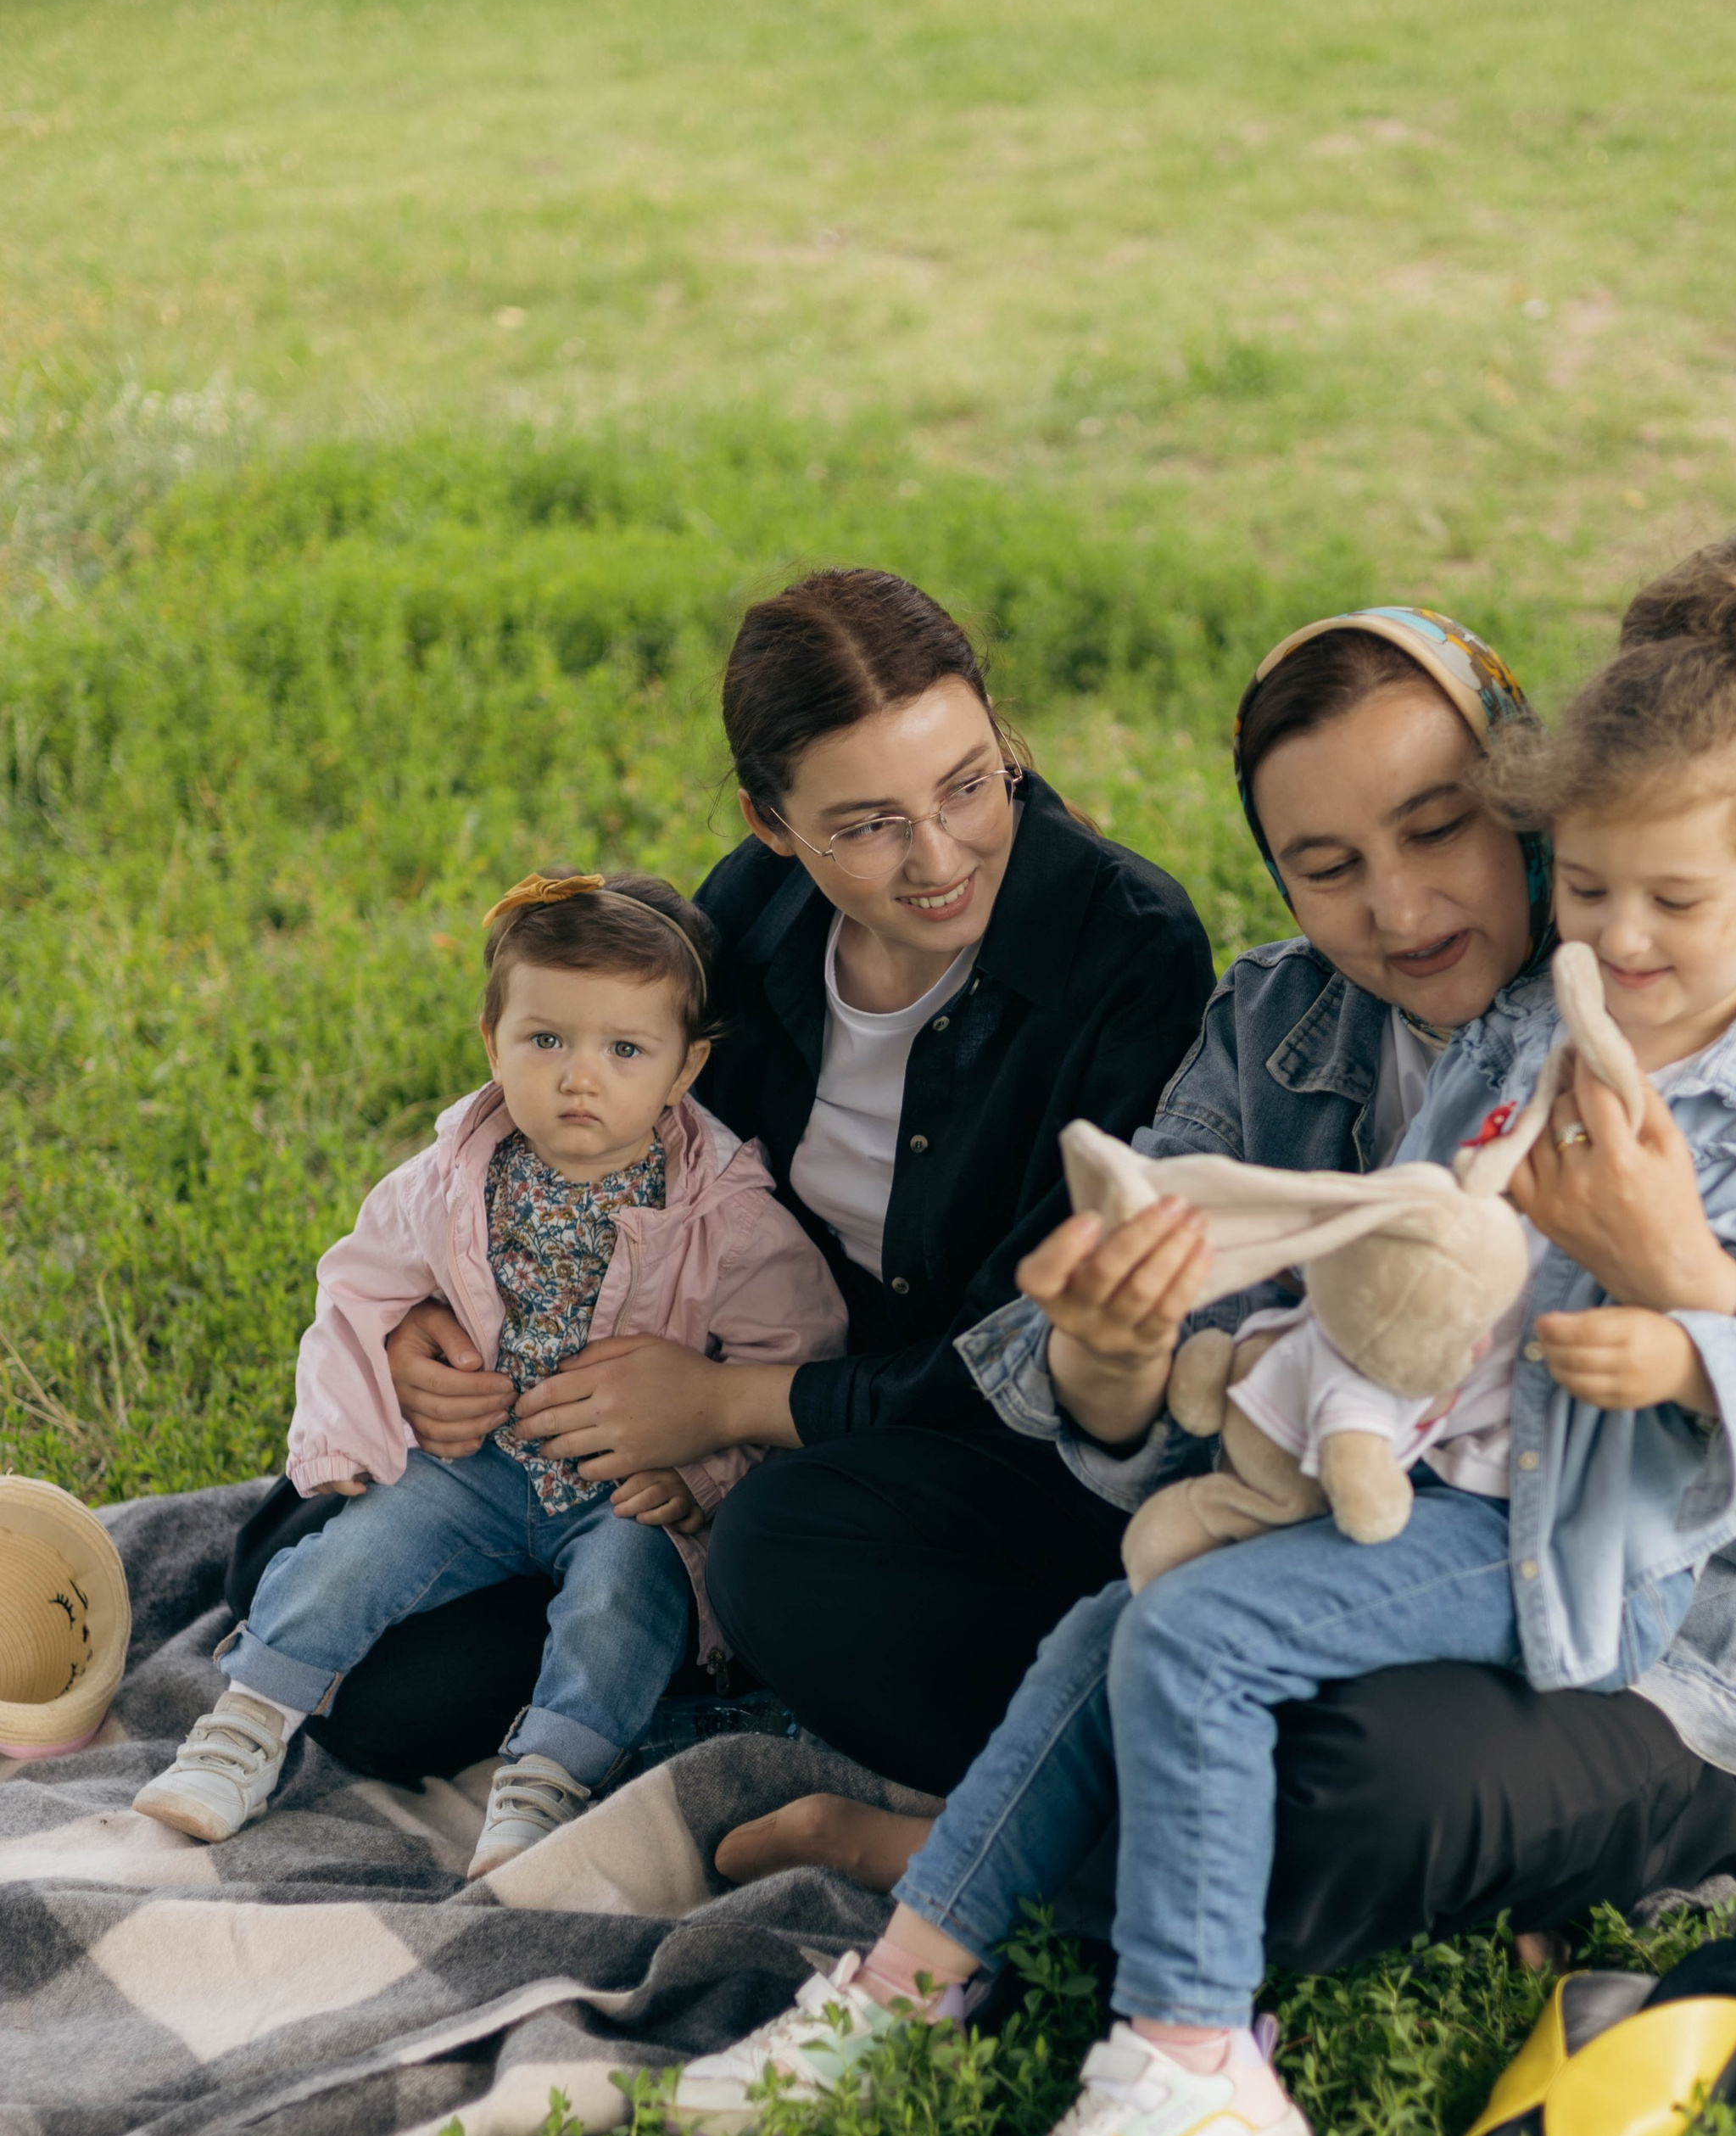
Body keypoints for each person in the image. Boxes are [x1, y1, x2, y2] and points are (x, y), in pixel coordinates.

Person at [670, 528, 1736, 2136]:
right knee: (879, 1569)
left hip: (1651, 1628)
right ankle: (942, 1948)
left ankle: (1018, 1899)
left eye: (1437, 831)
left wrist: (1684, 1288)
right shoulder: (1294, 1032)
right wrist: (1117, 1374)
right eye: (1323, 866)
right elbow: (1203, 1384)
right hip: (1357, 1536)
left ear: (1529, 793)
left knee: (1320, 1767)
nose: (1396, 910)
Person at [222, 569, 1216, 1787]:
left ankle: (748, 1661)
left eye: (969, 782)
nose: (941, 855)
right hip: (689, 1407)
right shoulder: (752, 915)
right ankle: (660, 1639)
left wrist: (725, 1409)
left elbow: (1017, 1349)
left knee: (768, 1550)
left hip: (964, 1446)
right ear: (770, 825)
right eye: (865, 825)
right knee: (355, 1658)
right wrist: (432, 1321)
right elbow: (633, 1155)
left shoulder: (1128, 949)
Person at [146, 874, 844, 1870]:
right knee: (353, 1552)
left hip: (623, 1488)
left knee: (622, 1606)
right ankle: (243, 1728)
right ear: (492, 1039)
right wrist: (355, 1425)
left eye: (625, 1051)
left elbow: (794, 1353)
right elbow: (357, 1292)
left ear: (686, 1069)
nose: (578, 1079)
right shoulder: (449, 1179)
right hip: (478, 1461)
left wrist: (703, 1479)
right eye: (545, 1040)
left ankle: (546, 1786)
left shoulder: (725, 1215)